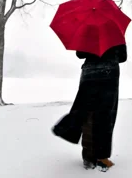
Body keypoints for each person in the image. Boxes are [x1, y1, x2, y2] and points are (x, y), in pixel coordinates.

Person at [52, 44, 127, 172]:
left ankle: (88, 157)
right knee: (106, 116)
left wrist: (94, 50)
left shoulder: (87, 31)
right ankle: (102, 158)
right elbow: (123, 57)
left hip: (90, 73)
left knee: (86, 112)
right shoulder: (116, 34)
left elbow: (80, 54)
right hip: (110, 74)